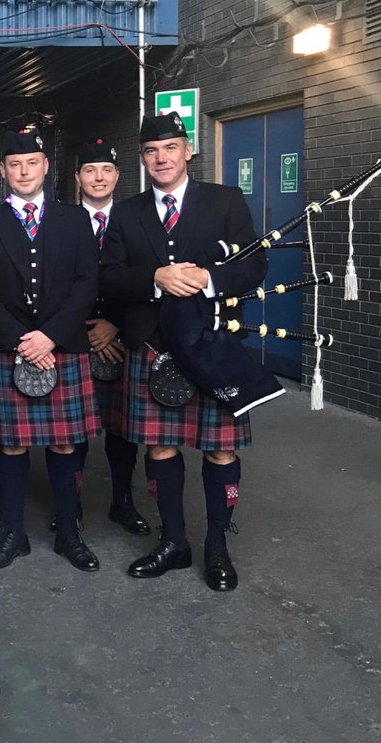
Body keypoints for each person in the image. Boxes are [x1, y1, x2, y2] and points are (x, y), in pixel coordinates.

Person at [100, 113, 263, 591]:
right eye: (151, 150)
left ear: (188, 150)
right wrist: (155, 277)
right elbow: (108, 275)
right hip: (154, 345)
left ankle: (217, 545)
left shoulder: (224, 200)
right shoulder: (127, 213)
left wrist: (207, 280)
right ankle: (174, 542)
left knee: (221, 448)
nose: (162, 157)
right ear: (143, 158)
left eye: (170, 147)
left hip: (213, 344)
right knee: (160, 444)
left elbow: (255, 263)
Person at [0, 128, 102, 572]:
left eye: (32, 162)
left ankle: (68, 532)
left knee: (64, 444)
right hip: (7, 347)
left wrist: (51, 336)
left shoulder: (75, 219)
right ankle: (12, 533)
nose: (24, 171)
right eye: (15, 164)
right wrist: (21, 339)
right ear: (3, 171)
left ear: (45, 167)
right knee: (10, 446)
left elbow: (87, 283)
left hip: (61, 345)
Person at [71, 138, 150, 537]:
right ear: (78, 178)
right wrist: (82, 332)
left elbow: (145, 278)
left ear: (118, 176)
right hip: (76, 337)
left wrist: (116, 325)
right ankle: (73, 507)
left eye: (106, 170)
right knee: (75, 430)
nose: (98, 178)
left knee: (122, 430)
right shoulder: (63, 219)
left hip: (122, 336)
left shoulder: (138, 218)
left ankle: (123, 502)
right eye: (90, 170)